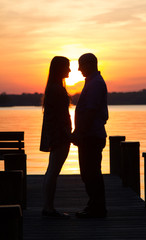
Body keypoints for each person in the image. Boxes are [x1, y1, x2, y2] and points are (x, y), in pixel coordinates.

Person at [71, 53, 109, 218]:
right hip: (91, 134)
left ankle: (97, 208)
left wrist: (79, 132)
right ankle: (94, 205)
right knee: (89, 172)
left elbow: (91, 111)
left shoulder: (95, 84)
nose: (78, 69)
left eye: (81, 65)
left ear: (90, 64)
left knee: (91, 172)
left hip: (91, 136)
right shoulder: (93, 82)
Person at [40, 56, 71, 218]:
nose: (70, 70)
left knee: (51, 170)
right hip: (60, 136)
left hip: (55, 134)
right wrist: (69, 134)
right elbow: (60, 116)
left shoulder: (53, 87)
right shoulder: (57, 89)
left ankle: (48, 206)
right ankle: (49, 208)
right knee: (53, 171)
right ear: (60, 68)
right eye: (67, 67)